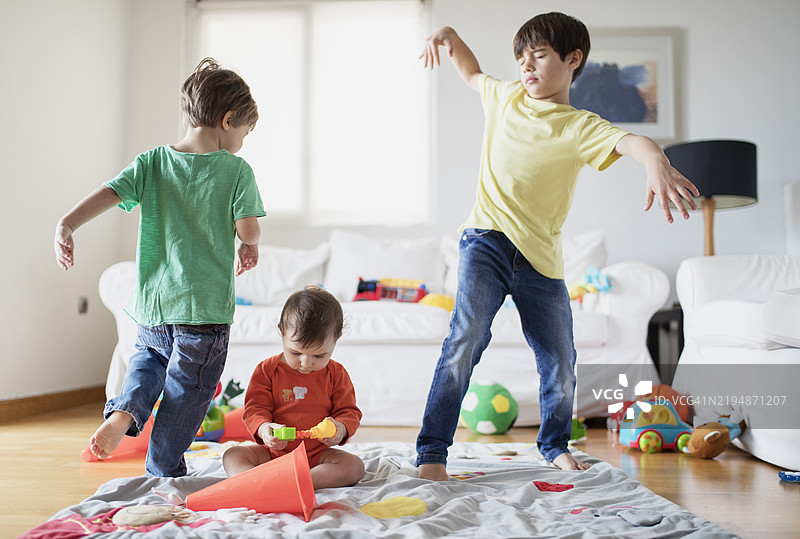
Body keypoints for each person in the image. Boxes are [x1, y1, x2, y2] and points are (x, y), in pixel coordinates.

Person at [414, 13, 699, 481]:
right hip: (484, 240)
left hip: (540, 261)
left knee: (560, 359)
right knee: (465, 340)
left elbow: (632, 141)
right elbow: (470, 71)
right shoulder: (505, 96)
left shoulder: (579, 126)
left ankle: (554, 445)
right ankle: (431, 452)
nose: (526, 66)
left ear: (572, 60)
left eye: (539, 55)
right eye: (521, 58)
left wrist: (655, 161)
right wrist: (450, 36)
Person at [53, 58, 266, 477]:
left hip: (153, 306)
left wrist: (67, 223)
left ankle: (123, 414)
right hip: (203, 313)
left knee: (147, 363)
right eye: (244, 132)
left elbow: (109, 192)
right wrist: (250, 243)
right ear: (228, 120)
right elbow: (248, 228)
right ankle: (163, 468)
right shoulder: (236, 170)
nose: (241, 143)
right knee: (187, 392)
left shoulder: (151, 162)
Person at [222, 286, 365, 489]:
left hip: (317, 456)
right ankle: (254, 484)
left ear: (337, 339)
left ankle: (294, 482)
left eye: (319, 356)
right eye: (296, 353)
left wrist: (340, 429)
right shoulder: (267, 370)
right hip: (273, 454)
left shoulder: (336, 374)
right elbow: (255, 410)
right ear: (281, 332)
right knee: (233, 455)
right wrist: (265, 429)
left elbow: (348, 412)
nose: (306, 363)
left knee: (354, 467)